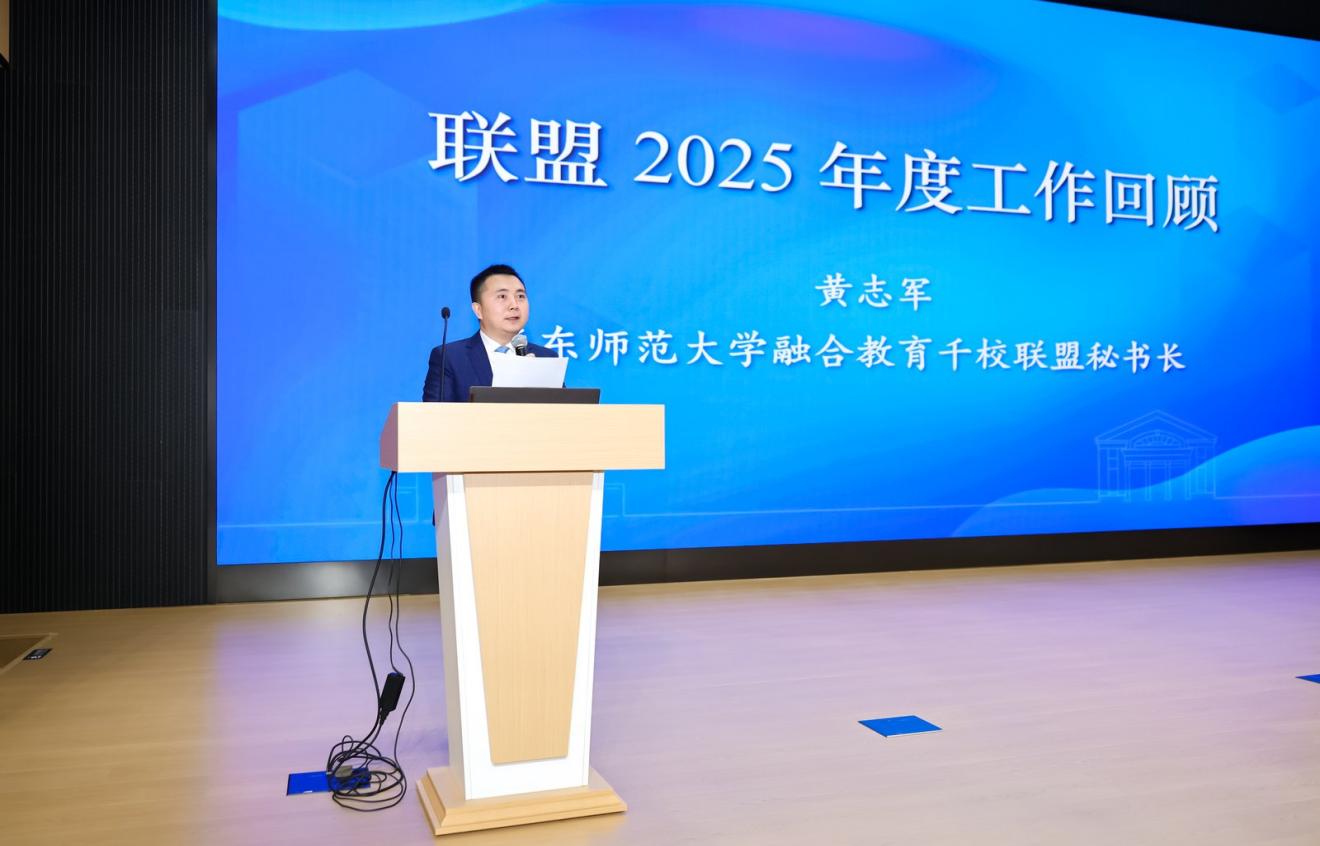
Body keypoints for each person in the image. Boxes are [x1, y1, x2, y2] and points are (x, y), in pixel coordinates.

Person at [422, 264, 557, 402]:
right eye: (502, 296)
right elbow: (435, 413)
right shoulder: (450, 358)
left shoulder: (546, 358)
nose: (514, 305)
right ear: (478, 310)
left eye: (520, 296)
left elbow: (564, 411)